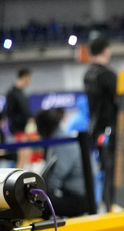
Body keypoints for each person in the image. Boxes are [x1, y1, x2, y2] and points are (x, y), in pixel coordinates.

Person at [83, 36, 118, 210]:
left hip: (96, 129)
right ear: (105, 51)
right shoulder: (107, 75)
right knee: (112, 169)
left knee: (105, 168)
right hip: (109, 129)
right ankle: (111, 204)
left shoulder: (88, 75)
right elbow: (119, 99)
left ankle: (106, 201)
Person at [33, 108, 88, 217]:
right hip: (72, 193)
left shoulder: (62, 143)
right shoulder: (59, 138)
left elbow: (56, 176)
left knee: (36, 204)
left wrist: (40, 191)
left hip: (78, 199)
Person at [4, 67, 33, 141]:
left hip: (25, 130)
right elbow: (10, 113)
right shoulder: (12, 93)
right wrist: (25, 120)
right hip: (17, 132)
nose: (30, 80)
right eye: (29, 78)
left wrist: (30, 119)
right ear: (25, 77)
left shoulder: (22, 93)